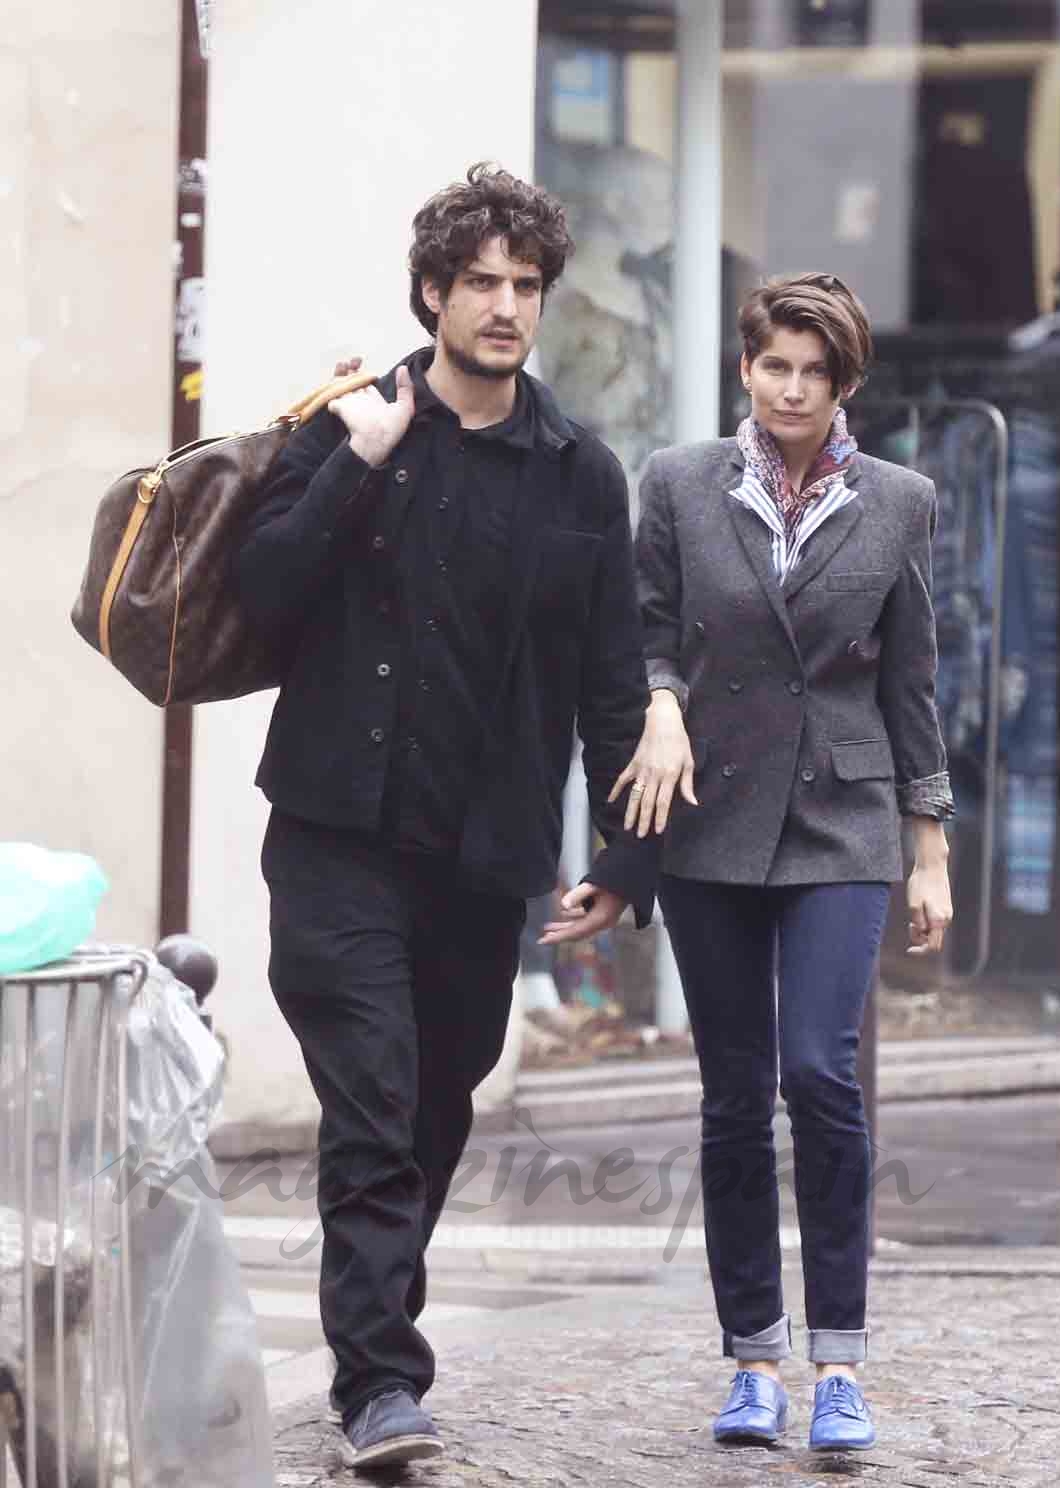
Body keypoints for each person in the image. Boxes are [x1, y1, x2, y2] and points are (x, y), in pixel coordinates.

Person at [234, 164, 658, 1468]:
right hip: (333, 833)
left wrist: (622, 860)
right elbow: (258, 593)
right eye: (478, 281)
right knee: (370, 1101)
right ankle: (378, 1384)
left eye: (524, 284)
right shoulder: (352, 429)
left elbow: (608, 670)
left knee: (434, 1103)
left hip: (481, 848)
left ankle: (374, 1350)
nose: (503, 305)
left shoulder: (579, 475)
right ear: (431, 291)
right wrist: (352, 465)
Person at [617, 273, 954, 1453]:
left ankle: (842, 1368)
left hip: (844, 825)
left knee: (821, 1075)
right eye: (775, 367)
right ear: (746, 370)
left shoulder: (903, 501)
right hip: (711, 818)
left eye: (816, 372)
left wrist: (930, 847)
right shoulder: (676, 482)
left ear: (846, 383)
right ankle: (754, 1360)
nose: (793, 389)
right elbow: (647, 623)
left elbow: (911, 679)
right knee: (731, 1096)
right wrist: (660, 704)